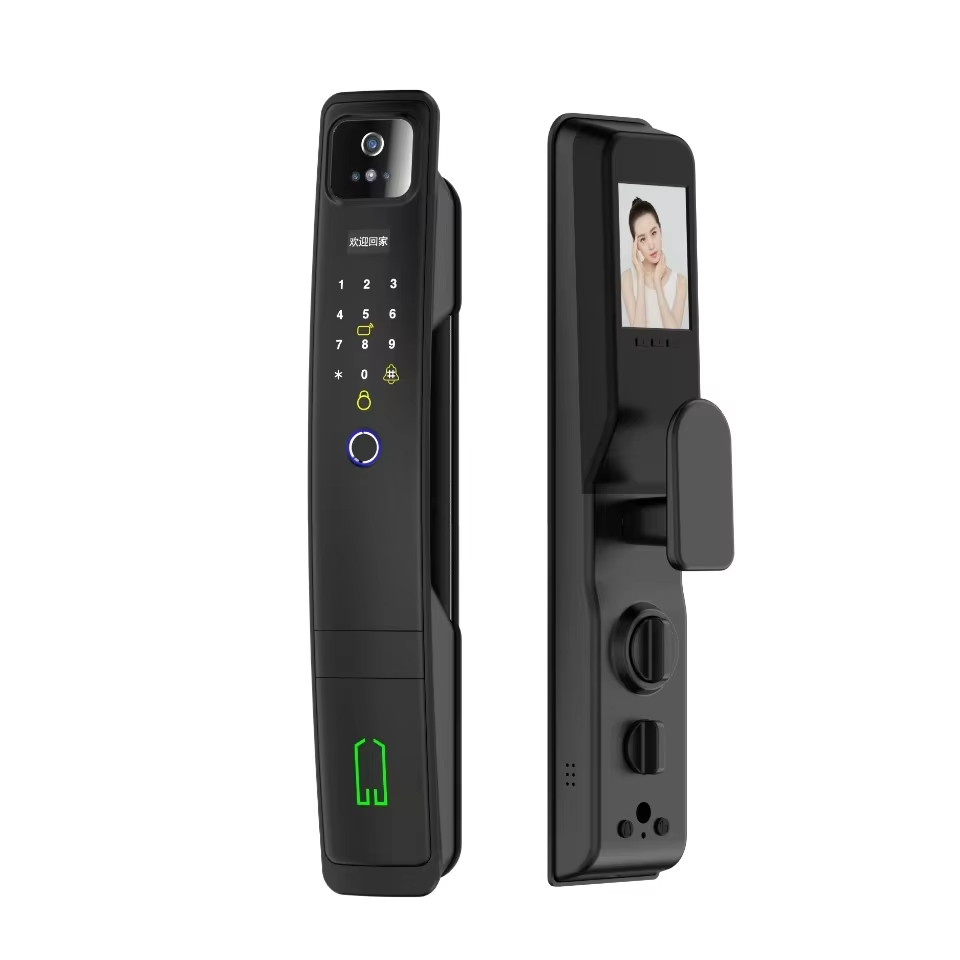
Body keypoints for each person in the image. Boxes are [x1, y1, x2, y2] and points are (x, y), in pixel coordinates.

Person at [621, 198, 688, 328]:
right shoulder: (627, 278)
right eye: (643, 239)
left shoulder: (680, 282)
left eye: (654, 233)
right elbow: (637, 334)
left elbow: (674, 337)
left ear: (661, 232)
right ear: (636, 245)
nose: (651, 245)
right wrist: (640, 276)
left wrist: (657, 283)